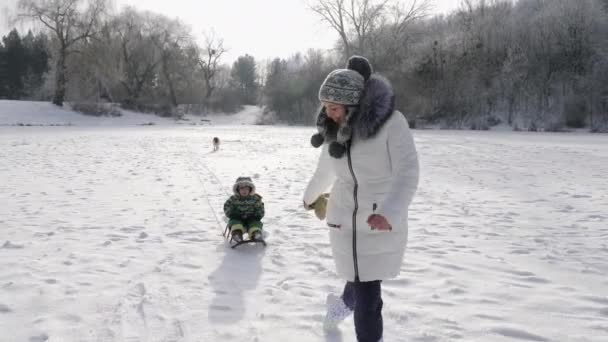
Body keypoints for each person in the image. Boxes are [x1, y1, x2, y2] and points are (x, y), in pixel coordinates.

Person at [303, 56, 419, 342]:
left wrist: (390, 212)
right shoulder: (335, 131)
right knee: (360, 280)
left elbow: (408, 172)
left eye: (333, 108)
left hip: (377, 218)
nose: (328, 114)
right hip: (343, 218)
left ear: (352, 104)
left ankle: (346, 316)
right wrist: (309, 197)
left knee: (367, 293)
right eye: (325, 108)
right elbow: (325, 170)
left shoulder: (392, 123)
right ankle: (339, 309)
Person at [224, 176, 265, 243]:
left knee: (255, 224)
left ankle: (255, 234)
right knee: (234, 223)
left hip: (251, 217)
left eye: (246, 188)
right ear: (237, 189)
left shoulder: (255, 199)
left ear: (250, 189)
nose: (244, 191)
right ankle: (237, 234)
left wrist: (257, 215)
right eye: (242, 188)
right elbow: (227, 206)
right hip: (237, 217)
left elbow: (260, 208)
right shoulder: (233, 199)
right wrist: (232, 214)